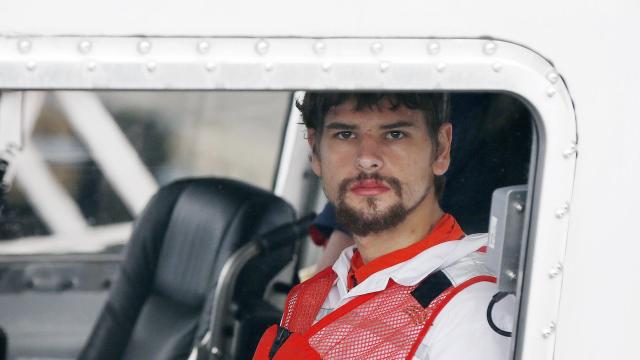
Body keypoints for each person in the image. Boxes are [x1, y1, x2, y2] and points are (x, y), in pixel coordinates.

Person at [253, 92, 513, 360]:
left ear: (441, 149)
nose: (367, 158)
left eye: (395, 134)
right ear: (315, 152)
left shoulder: (472, 310)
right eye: (345, 134)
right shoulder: (312, 295)